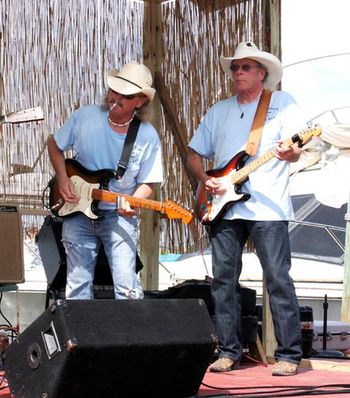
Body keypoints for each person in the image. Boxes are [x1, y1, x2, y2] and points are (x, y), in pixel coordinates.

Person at [186, 42, 304, 376]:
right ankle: (227, 351)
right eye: (235, 68)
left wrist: (291, 154)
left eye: (246, 68)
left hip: (269, 207)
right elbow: (193, 154)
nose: (238, 72)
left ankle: (289, 355)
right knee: (223, 280)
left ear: (262, 74)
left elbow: (297, 147)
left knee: (278, 278)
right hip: (224, 207)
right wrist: (204, 179)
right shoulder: (218, 110)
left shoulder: (281, 103)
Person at [47, 61, 163, 300]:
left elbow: (148, 183)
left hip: (118, 216)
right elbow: (54, 144)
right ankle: (78, 337)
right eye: (114, 90)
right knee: (77, 286)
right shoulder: (84, 117)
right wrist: (63, 178)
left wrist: (133, 202)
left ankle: (133, 336)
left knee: (126, 286)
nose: (116, 97)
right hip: (78, 213)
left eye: (125, 95)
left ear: (140, 101)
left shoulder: (147, 135)